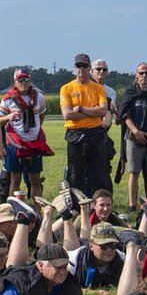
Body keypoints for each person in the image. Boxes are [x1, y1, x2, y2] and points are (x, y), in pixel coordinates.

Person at [57, 53, 111, 202]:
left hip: (95, 135)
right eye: (78, 66)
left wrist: (80, 109)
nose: (81, 69)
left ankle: (101, 205)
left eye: (85, 66)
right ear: (74, 68)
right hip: (76, 135)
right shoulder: (66, 88)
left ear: (89, 68)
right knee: (75, 175)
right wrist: (91, 112)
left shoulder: (98, 88)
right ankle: (77, 206)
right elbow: (67, 114)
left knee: (100, 174)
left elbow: (102, 111)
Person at [114, 60, 147, 210]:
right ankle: (132, 204)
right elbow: (124, 114)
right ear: (136, 75)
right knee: (134, 172)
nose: (144, 76)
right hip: (133, 138)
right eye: (141, 73)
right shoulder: (130, 93)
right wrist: (135, 131)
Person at [0, 66, 48, 199]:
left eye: (26, 79)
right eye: (20, 80)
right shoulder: (7, 99)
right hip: (15, 143)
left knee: (35, 179)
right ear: (15, 81)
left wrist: (36, 130)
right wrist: (9, 117)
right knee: (15, 179)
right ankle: (13, 210)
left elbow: (42, 116)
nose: (23, 82)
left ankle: (38, 212)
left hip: (34, 142)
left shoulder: (39, 97)